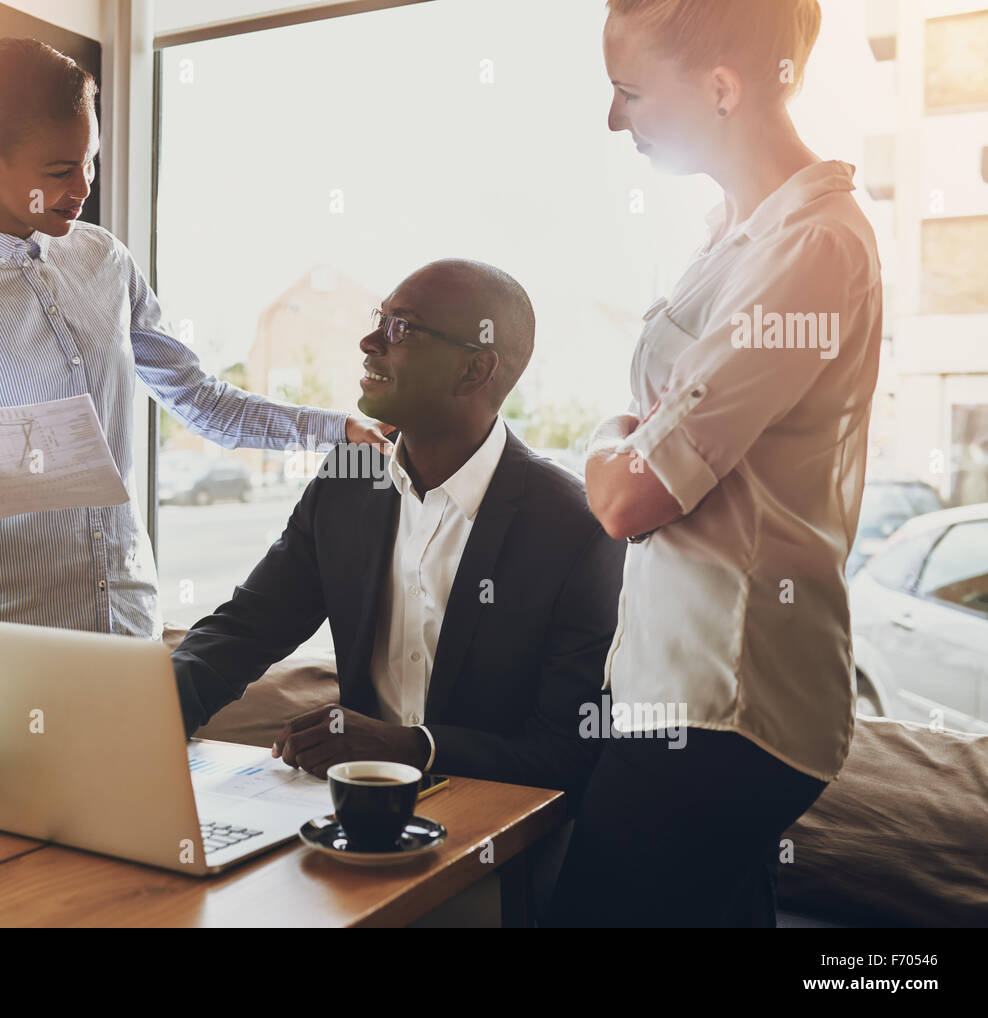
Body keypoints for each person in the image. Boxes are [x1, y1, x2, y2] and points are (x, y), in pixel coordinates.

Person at [0, 35, 389, 637]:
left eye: (89, 161)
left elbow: (200, 399)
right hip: (1, 628)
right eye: (59, 170)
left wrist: (334, 428)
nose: (82, 187)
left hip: (128, 618)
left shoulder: (105, 260)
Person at [545, 0, 884, 926]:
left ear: (724, 89)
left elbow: (628, 497)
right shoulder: (733, 235)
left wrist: (611, 443)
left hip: (725, 706)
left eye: (628, 92)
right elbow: (645, 457)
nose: (615, 119)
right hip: (679, 695)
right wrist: (631, 441)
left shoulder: (810, 247)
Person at [172, 259, 624, 795]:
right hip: (358, 822)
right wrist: (142, 714)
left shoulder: (574, 526)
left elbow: (569, 749)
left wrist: (416, 747)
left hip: (500, 839)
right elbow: (247, 629)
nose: (368, 341)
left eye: (399, 328)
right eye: (377, 318)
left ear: (474, 370)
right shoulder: (347, 483)